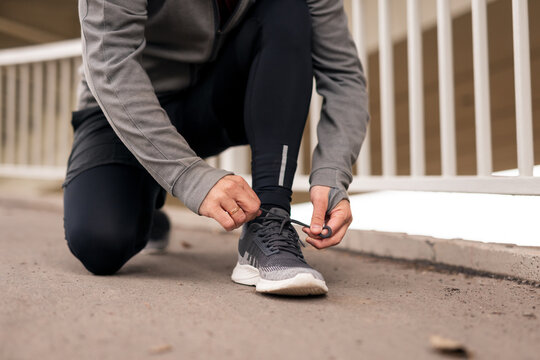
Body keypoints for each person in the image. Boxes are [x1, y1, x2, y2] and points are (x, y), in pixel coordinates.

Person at [62, 0, 369, 296]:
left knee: (287, 7)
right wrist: (189, 176)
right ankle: (145, 192)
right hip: (119, 108)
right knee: (100, 243)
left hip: (211, 100)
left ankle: (269, 220)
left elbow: (343, 75)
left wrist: (333, 170)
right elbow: (111, 66)